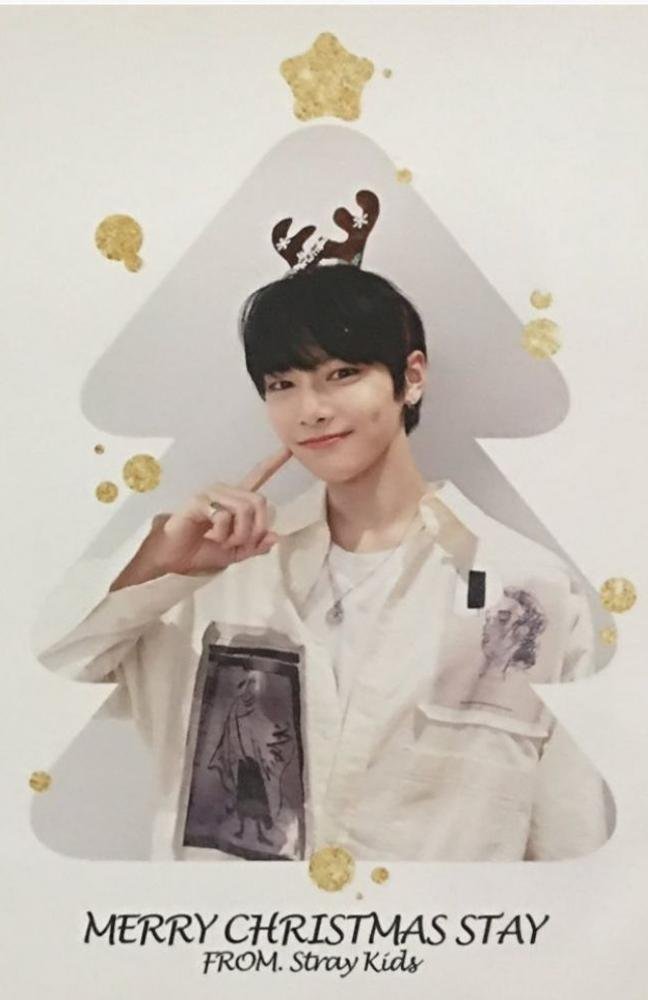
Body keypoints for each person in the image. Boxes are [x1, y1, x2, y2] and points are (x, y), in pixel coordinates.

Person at [31, 191, 613, 862]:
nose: (310, 409)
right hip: (228, 929)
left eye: (342, 374)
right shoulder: (216, 576)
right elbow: (40, 684)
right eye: (283, 383)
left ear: (411, 377)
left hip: (432, 931)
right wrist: (158, 565)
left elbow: (570, 848)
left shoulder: (528, 588)